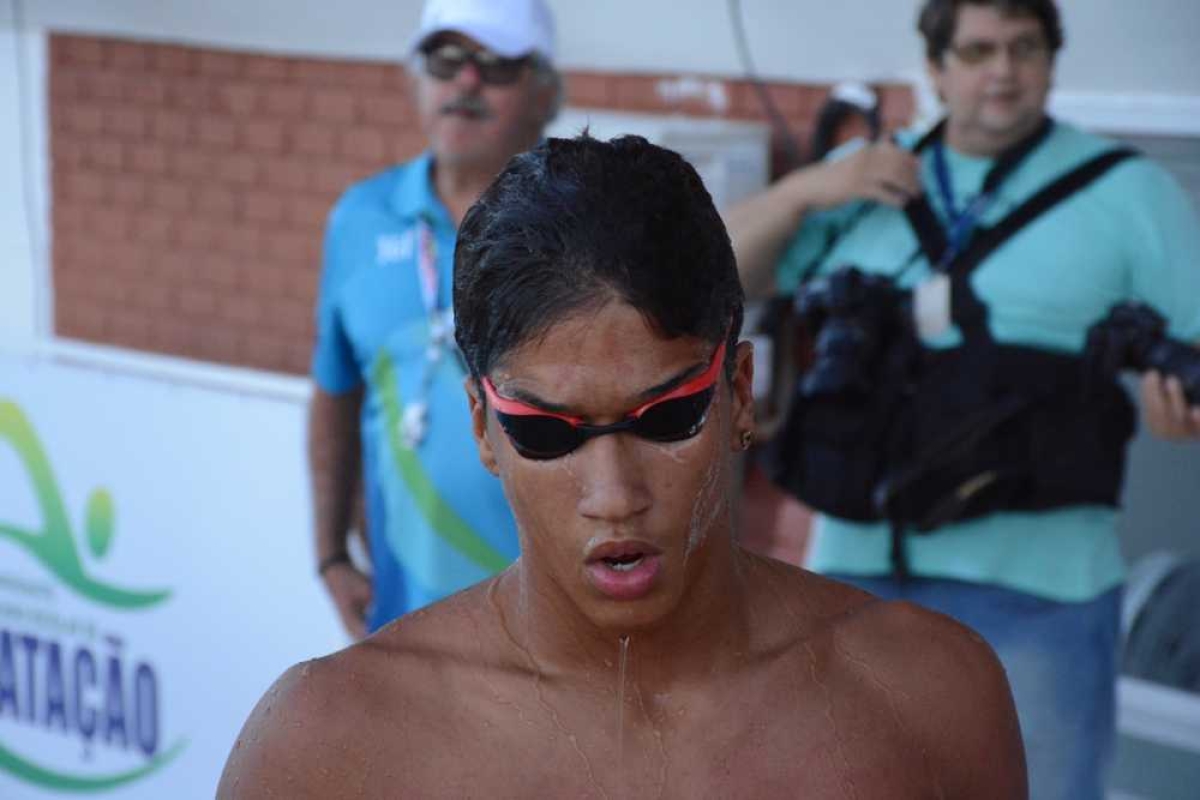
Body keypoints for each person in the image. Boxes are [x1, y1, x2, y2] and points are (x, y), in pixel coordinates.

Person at [218, 134, 1027, 799]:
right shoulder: (332, 751)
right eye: (547, 433)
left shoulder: (927, 699)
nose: (614, 495)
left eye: (669, 418)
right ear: (483, 427)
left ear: (739, 393)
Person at [725, 2, 1200, 798]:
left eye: (1025, 48)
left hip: (1039, 595)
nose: (1003, 71)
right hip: (856, 587)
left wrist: (1178, 421)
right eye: (978, 51)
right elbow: (715, 281)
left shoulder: (1128, 193)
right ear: (937, 69)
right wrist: (812, 186)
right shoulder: (866, 181)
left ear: (1053, 59)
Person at [308, 0, 561, 637]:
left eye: (495, 65)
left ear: (545, 93)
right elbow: (334, 396)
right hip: (407, 616)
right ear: (416, 80)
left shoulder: (583, 223)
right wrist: (331, 555)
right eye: (445, 60)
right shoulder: (359, 219)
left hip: (560, 625)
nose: (466, 83)